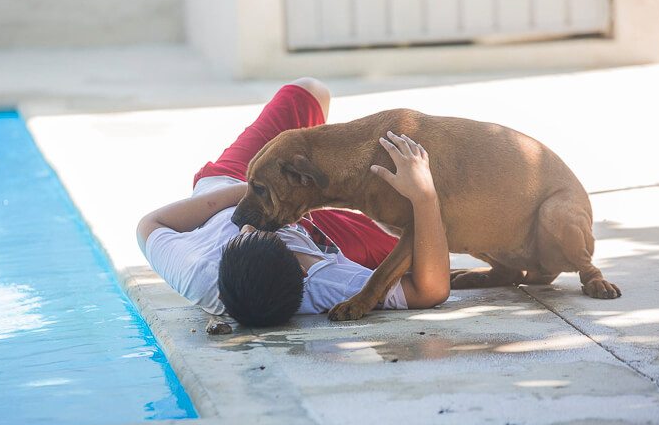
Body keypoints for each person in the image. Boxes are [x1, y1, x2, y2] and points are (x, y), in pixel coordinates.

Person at [136, 78, 449, 332]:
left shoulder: (197, 274)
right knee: (416, 241)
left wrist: (259, 188)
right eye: (260, 232)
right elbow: (430, 290)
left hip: (226, 187)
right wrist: (426, 197)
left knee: (311, 90)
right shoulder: (324, 282)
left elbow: (148, 225)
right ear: (303, 270)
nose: (244, 222)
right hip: (318, 234)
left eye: (240, 236)